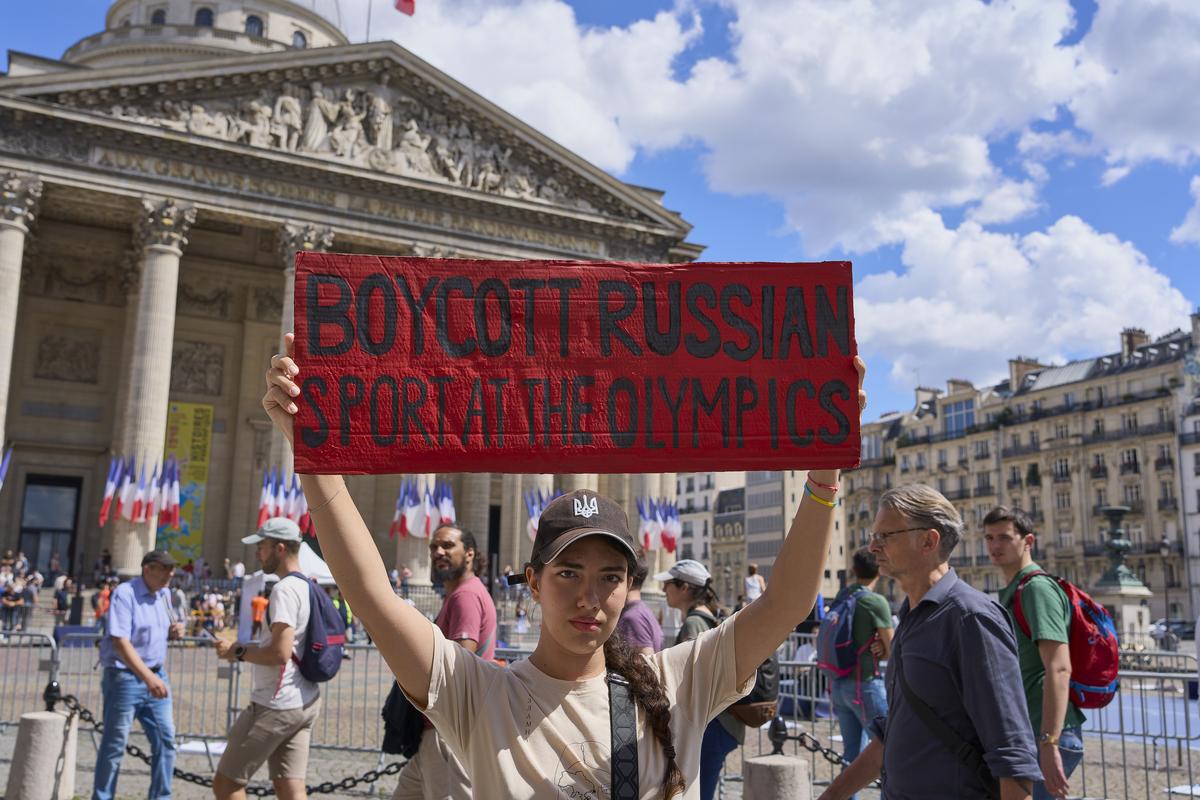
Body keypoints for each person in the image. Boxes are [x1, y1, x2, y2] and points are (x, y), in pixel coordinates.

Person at [262, 334, 865, 799]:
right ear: (533, 582)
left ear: (631, 587)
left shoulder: (678, 681)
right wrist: (312, 453)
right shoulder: (479, 692)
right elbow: (371, 595)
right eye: (568, 573)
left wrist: (822, 477)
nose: (589, 597)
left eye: (609, 577)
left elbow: (785, 603)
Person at [820, 484, 1040, 800]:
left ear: (928, 540)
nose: (872, 546)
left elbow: (1012, 751)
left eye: (885, 536)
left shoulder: (971, 618)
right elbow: (890, 736)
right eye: (874, 536)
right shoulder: (910, 614)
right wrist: (832, 795)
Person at [214, 518, 321, 800]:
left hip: (275, 703)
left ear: (280, 548)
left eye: (262, 546)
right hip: (305, 698)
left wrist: (236, 651)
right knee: (290, 788)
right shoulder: (307, 585)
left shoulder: (284, 589)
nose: (258, 552)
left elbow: (280, 653)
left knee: (227, 784)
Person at [985, 506, 1085, 800]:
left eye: (1004, 537)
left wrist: (1049, 743)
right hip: (1029, 732)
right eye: (989, 538)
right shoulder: (1014, 589)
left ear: (1029, 541)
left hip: (1047, 735)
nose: (994, 546)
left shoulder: (1035, 589)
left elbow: (1058, 667)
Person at [391, 522, 497, 800]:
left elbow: (459, 663)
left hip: (447, 730)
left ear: (470, 553)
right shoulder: (462, 594)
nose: (439, 552)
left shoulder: (466, 596)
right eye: (434, 547)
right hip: (437, 728)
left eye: (448, 545)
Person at [93, 550, 184, 800]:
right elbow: (120, 642)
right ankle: (102, 796)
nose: (171, 574)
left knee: (166, 741)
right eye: (165, 568)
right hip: (125, 679)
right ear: (148, 569)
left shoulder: (164, 595)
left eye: (171, 568)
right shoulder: (125, 593)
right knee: (114, 746)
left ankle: (160, 797)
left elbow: (163, 628)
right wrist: (148, 678)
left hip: (156, 676)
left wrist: (176, 630)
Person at [659, 559, 739, 800]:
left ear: (684, 588)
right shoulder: (708, 617)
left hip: (711, 725)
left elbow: (691, 679)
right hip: (721, 723)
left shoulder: (694, 623)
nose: (663, 590)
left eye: (668, 584)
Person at [826, 548, 893, 800]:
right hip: (864, 684)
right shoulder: (875, 602)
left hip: (840, 685)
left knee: (851, 756)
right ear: (880, 568)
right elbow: (892, 648)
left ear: (853, 570)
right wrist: (879, 647)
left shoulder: (843, 596)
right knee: (889, 749)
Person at [615, 560, 664, 655]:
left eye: (612, 578)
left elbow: (644, 661)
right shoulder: (642, 611)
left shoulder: (632, 617)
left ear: (628, 581)